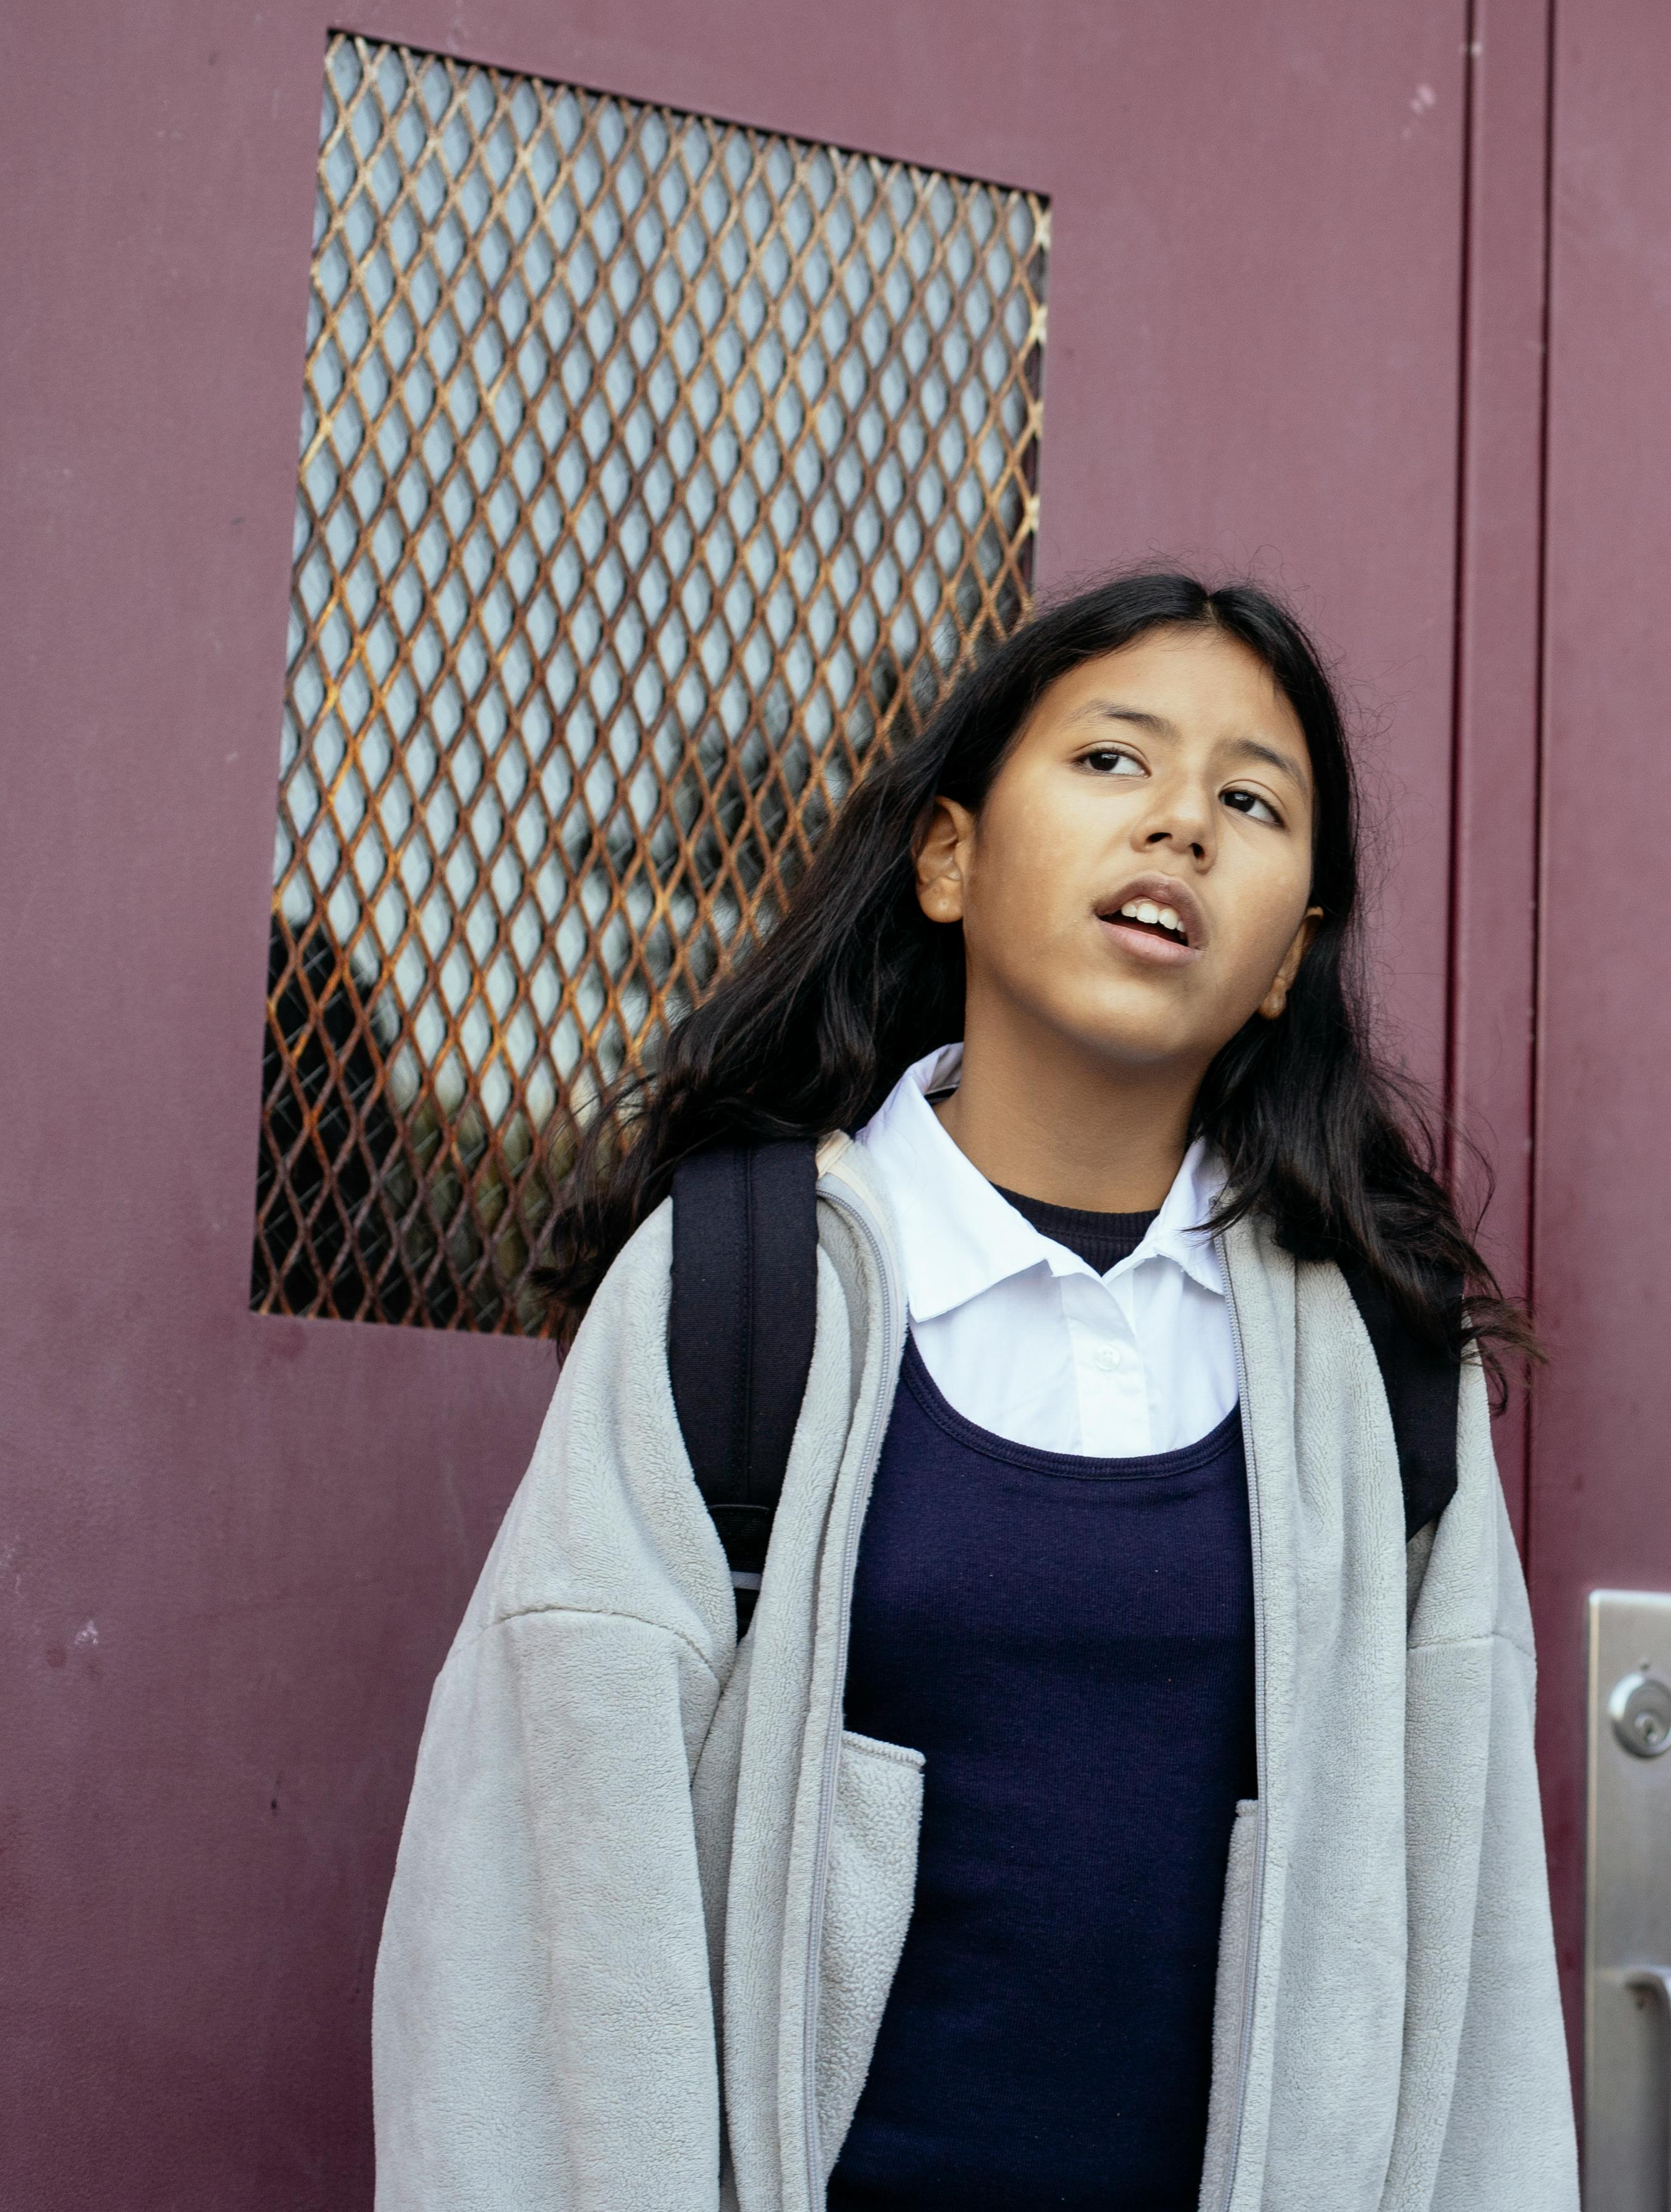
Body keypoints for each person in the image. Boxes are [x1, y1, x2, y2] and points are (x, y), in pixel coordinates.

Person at [371, 574, 1575, 2212]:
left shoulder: (1382, 1367)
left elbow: (1480, 1989)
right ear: (949, 859)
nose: (1182, 826)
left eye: (1250, 800)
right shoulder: (737, 1294)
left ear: (1290, 958)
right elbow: (537, 1928)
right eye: (1111, 763)